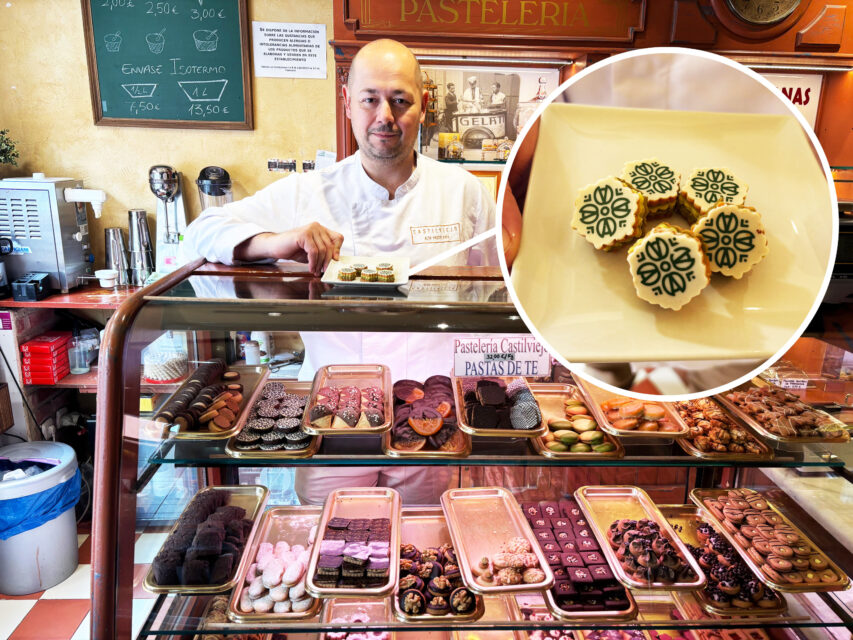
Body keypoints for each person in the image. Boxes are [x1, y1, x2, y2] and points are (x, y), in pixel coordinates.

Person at [182, 39, 496, 504]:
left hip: (434, 416)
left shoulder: (465, 192)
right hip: (331, 414)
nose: (384, 115)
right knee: (332, 545)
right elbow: (200, 233)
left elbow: (494, 293)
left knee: (424, 546)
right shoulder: (307, 191)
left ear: (423, 106)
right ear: (348, 102)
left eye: (400, 100)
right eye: (370, 99)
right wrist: (280, 240)